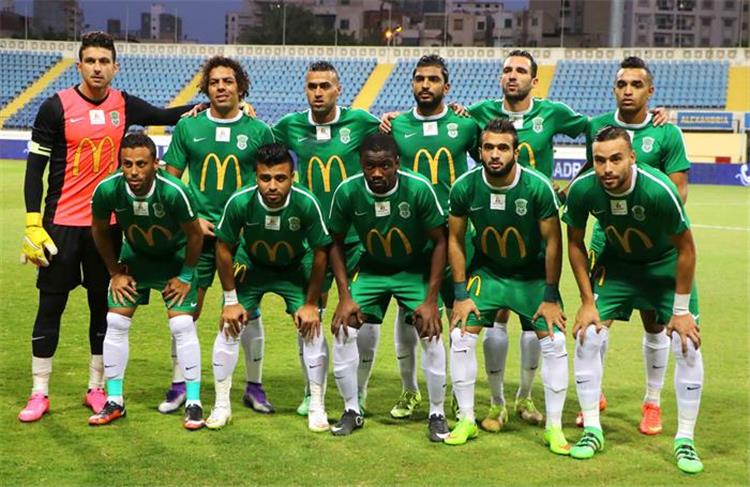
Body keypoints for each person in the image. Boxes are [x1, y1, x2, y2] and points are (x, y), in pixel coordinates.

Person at [18, 31, 200, 423]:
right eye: (91, 61)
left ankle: (97, 388)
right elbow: (35, 169)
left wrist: (215, 107)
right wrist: (33, 222)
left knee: (103, 309)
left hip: (109, 226)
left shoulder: (124, 104)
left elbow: (167, 115)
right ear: (79, 65)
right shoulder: (55, 107)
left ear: (116, 67)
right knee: (51, 305)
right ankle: (39, 392)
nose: (97, 68)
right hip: (61, 225)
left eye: (104, 61)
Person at [563, 126, 703, 474]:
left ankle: (685, 440)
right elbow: (575, 244)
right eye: (599, 161)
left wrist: (681, 311)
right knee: (587, 335)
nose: (607, 168)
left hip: (664, 267)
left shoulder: (658, 189)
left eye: (616, 159)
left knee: (686, 343)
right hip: (618, 268)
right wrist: (586, 301)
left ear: (632, 158)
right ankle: (592, 430)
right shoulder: (583, 189)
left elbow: (686, 249)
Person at [571, 56, 692, 432]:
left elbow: (678, 193)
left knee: (654, 324)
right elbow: (590, 172)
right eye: (622, 84)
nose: (628, 91)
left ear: (650, 91)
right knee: (596, 320)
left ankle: (652, 402)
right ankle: (595, 394)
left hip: (653, 244)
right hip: (607, 241)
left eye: (636, 85)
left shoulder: (666, 132)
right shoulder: (597, 126)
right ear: (613, 89)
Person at [162, 55, 276, 415]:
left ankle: (254, 386)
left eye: (228, 81)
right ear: (205, 88)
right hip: (198, 237)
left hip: (241, 239)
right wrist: (192, 220)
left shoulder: (259, 131)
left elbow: (270, 182)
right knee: (186, 312)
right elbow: (169, 181)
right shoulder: (188, 127)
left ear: (241, 86)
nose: (221, 87)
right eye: (214, 82)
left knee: (248, 311)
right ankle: (180, 384)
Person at [447, 119, 568, 454]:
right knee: (460, 335)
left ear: (516, 151)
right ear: (480, 151)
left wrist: (550, 295)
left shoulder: (537, 187)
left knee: (555, 340)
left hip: (531, 276)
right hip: (488, 273)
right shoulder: (465, 186)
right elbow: (455, 240)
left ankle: (554, 427)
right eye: (488, 147)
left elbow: (554, 243)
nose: (495, 154)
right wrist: (460, 294)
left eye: (503, 148)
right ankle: (468, 419)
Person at [272, 60, 381, 416]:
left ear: (338, 90)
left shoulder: (361, 122)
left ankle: (359, 391)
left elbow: (392, 139)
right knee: (310, 314)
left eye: (324, 86)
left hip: (356, 238)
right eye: (312, 86)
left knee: (362, 316)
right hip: (311, 239)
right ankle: (311, 391)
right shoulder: (289, 126)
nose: (318, 92)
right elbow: (261, 149)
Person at [327, 133, 449, 441]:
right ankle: (352, 409)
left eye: (385, 166)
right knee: (343, 327)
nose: (377, 173)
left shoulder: (418, 188)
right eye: (370, 166)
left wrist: (431, 300)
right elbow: (334, 243)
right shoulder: (348, 191)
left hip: (414, 270)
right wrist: (344, 297)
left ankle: (437, 413)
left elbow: (441, 241)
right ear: (361, 164)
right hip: (373, 269)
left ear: (397, 163)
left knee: (430, 330)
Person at [207, 143, 332, 432]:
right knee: (229, 326)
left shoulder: (306, 202)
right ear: (256, 177)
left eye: (280, 178)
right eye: (265, 178)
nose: (272, 186)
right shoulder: (240, 201)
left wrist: (310, 304)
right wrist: (230, 300)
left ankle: (317, 405)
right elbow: (223, 247)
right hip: (252, 265)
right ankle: (221, 405)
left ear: (292, 177)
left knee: (312, 328)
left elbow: (320, 252)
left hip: (294, 266)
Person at [87, 133, 205, 429]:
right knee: (115, 322)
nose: (134, 171)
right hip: (135, 259)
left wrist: (186, 275)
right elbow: (99, 229)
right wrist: (115, 272)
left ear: (155, 164)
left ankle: (193, 402)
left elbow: (195, 235)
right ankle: (115, 400)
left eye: (141, 164)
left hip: (174, 260)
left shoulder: (174, 191)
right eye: (127, 164)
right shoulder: (108, 189)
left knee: (182, 325)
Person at [386, 54, 480, 420]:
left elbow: (491, 160)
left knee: (460, 313)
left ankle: (458, 392)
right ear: (412, 83)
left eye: (433, 79)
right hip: (413, 238)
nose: (425, 85)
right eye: (419, 78)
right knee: (408, 312)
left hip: (458, 235)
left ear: (447, 86)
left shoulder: (465, 125)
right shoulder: (395, 126)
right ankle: (409, 390)